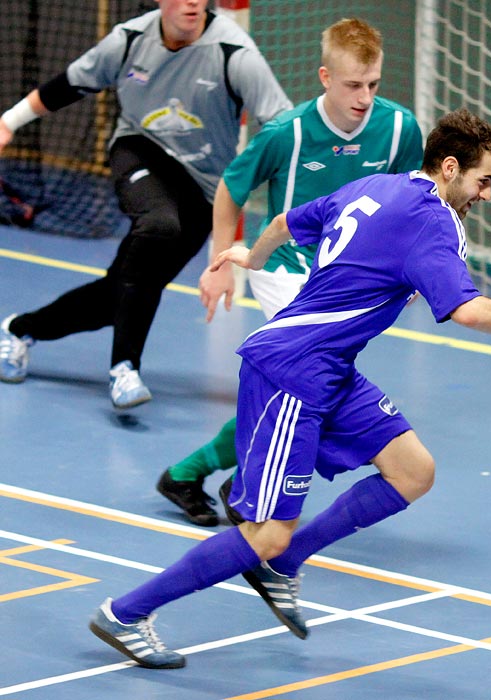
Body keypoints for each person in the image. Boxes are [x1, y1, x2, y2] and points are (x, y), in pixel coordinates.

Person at [88, 108, 491, 669]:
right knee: (267, 532)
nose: (486, 194)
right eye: (484, 180)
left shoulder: (377, 186)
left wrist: (248, 257)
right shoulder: (432, 220)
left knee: (413, 470)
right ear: (450, 168)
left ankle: (285, 565)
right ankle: (127, 613)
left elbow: (281, 225)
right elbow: (466, 310)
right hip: (294, 371)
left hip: (331, 366)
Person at [156, 17, 423, 525]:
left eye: (372, 85)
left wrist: (406, 268)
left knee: (302, 393)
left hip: (350, 283)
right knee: (316, 384)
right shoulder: (288, 132)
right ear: (324, 77)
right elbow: (232, 189)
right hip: (287, 271)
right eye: (352, 85)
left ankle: (198, 475)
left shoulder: (400, 129)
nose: (363, 97)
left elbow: (412, 199)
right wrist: (220, 264)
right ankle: (241, 481)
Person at [0, 0, 291, 409]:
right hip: (139, 150)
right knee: (158, 225)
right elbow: (70, 83)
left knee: (118, 295)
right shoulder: (130, 40)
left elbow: (284, 129)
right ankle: (124, 368)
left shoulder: (235, 54)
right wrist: (8, 122)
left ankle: (17, 329)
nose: (193, 3)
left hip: (205, 189)